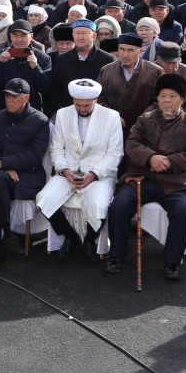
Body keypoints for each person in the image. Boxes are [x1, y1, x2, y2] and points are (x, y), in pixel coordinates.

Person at [105, 73, 186, 280]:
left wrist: (169, 161)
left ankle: (172, 261)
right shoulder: (145, 119)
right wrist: (151, 158)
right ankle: (117, 255)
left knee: (183, 211)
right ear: (157, 98)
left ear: (182, 99)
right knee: (118, 206)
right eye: (162, 96)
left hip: (175, 184)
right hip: (141, 179)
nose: (166, 100)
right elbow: (131, 144)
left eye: (172, 96)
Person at [36, 79, 123, 258]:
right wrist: (64, 171)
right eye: (78, 105)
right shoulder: (62, 114)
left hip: (100, 174)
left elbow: (115, 153)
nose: (82, 109)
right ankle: (71, 237)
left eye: (87, 105)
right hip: (68, 172)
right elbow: (57, 149)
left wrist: (93, 174)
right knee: (43, 199)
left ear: (96, 100)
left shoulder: (112, 116)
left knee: (99, 203)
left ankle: (91, 239)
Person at [0, 78, 49, 266]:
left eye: (14, 97)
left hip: (27, 175)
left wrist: (2, 163)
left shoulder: (40, 121)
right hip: (0, 171)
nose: (9, 100)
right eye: (7, 96)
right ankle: (6, 236)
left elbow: (34, 155)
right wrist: (3, 165)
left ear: (26, 98)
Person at [98, 32, 164, 135]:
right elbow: (99, 98)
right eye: (122, 49)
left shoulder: (155, 72)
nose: (125, 55)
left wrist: (142, 121)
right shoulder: (106, 71)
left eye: (130, 50)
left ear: (140, 51)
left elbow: (159, 101)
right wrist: (112, 116)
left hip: (145, 131)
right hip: (112, 129)